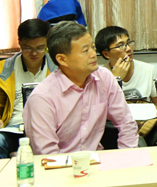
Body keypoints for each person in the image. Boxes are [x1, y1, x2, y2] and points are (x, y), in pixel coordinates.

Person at [23, 21, 139, 154]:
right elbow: (47, 154)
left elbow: (126, 124)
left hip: (97, 161)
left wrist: (127, 158)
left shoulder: (104, 78)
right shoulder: (42, 98)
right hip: (62, 164)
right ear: (62, 59)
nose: (93, 54)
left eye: (92, 47)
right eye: (85, 51)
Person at [0, 19, 56, 158]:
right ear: (19, 43)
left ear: (47, 44)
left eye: (40, 47)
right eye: (28, 48)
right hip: (14, 128)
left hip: (48, 125)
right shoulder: (3, 70)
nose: (34, 53)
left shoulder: (58, 68)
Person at [95, 26, 157, 105]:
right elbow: (100, 107)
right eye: (120, 46)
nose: (129, 48)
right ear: (106, 54)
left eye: (128, 43)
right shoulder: (99, 76)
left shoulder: (149, 69)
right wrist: (115, 78)